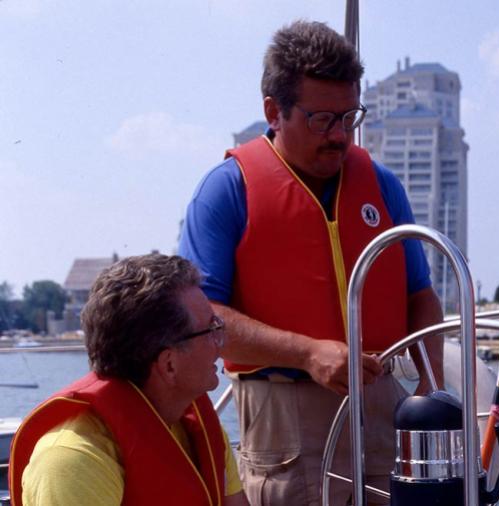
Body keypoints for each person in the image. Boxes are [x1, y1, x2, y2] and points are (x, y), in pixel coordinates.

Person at [178, 19, 444, 506]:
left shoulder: (383, 186)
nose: (340, 136)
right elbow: (199, 319)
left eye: (350, 118)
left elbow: (421, 295)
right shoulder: (224, 191)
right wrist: (306, 352)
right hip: (283, 417)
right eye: (322, 120)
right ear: (273, 112)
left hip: (384, 405)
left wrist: (431, 382)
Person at [9, 253, 248, 506]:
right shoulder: (73, 462)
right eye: (211, 330)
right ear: (169, 365)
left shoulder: (198, 429)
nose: (220, 344)